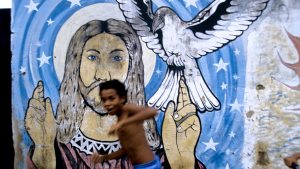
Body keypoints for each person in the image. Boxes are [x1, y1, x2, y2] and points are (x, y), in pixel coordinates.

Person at [25, 19, 160, 169]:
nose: (102, 75)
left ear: (132, 70)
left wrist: (180, 156)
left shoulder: (151, 150)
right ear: (75, 65)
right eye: (92, 57)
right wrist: (44, 147)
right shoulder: (55, 143)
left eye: (116, 58)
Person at [92, 79, 161, 169]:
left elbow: (152, 112)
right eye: (104, 100)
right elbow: (126, 150)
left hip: (149, 166)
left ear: (122, 98)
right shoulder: (119, 123)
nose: (107, 104)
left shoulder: (127, 109)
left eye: (111, 98)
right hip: (139, 166)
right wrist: (104, 157)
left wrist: (122, 123)